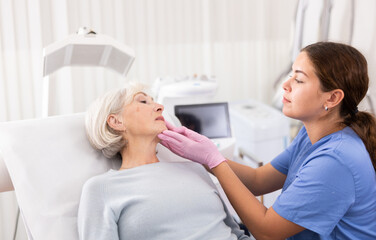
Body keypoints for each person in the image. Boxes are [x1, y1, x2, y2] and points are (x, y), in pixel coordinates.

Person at [158, 42, 376, 239]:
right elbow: (258, 180)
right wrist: (203, 155)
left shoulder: (335, 160)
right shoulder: (311, 135)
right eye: (291, 75)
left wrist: (214, 160)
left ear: (332, 98)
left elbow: (266, 231)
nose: (286, 85)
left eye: (298, 79)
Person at [77, 82, 250, 240]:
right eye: (143, 102)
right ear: (116, 121)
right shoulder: (101, 189)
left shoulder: (195, 169)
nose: (160, 107)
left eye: (154, 101)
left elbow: (237, 234)